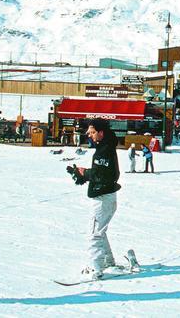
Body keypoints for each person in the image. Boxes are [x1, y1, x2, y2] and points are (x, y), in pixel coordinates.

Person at [69, 119, 122, 281]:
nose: (89, 135)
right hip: (106, 195)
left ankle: (96, 267)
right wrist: (84, 174)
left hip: (103, 197)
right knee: (100, 231)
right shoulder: (105, 147)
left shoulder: (104, 150)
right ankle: (107, 261)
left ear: (101, 132)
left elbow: (104, 175)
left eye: (92, 132)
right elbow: (104, 173)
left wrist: (85, 174)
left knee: (94, 234)